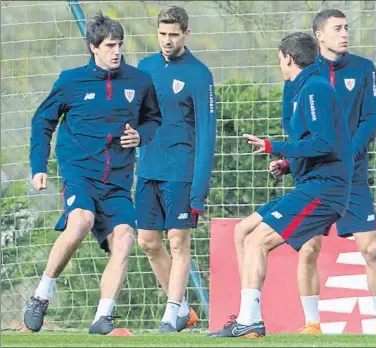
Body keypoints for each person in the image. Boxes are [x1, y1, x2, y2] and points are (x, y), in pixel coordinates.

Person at [208, 31, 353, 338]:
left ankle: (250, 321)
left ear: (288, 58)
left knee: (258, 240)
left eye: (279, 58)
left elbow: (323, 143)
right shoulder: (303, 89)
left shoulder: (315, 90)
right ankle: (248, 316)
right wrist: (288, 165)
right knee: (242, 230)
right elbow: (317, 143)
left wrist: (274, 146)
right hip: (311, 184)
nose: (279, 64)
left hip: (324, 190)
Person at [25, 12, 161, 335]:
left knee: (126, 238)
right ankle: (41, 295)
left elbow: (154, 119)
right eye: (110, 45)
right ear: (93, 48)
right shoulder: (71, 81)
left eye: (120, 44)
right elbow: (42, 122)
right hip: (79, 173)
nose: (116, 51)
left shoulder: (139, 81)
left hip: (117, 181)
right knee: (81, 221)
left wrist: (141, 135)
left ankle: (102, 318)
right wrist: (38, 167)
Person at [269, 9, 376, 335]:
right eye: (337, 28)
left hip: (353, 175)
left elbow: (371, 118)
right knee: (309, 249)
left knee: (370, 249)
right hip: (314, 179)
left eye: (346, 28)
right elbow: (295, 128)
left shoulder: (363, 69)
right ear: (320, 37)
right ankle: (312, 324)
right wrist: (289, 162)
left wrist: (347, 151)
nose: (345, 33)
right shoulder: (301, 78)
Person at [135, 5, 216, 333]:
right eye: (162, 34)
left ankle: (170, 316)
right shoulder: (145, 67)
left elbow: (207, 135)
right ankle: (182, 306)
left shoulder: (199, 74)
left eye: (173, 34)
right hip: (148, 170)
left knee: (179, 241)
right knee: (147, 242)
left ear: (186, 34)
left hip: (181, 171)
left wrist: (200, 189)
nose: (167, 40)